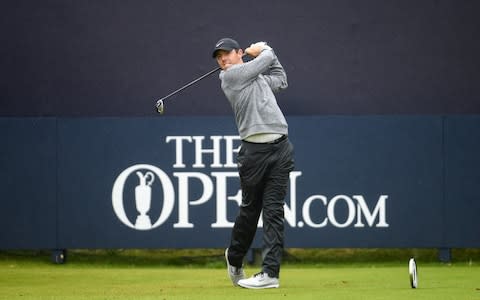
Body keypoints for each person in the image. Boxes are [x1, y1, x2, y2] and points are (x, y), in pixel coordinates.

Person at [212, 37, 295, 289]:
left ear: (239, 53)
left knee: (274, 212)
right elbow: (266, 59)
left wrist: (268, 53)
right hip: (253, 153)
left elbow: (281, 79)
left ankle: (270, 273)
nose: (222, 59)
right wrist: (265, 49)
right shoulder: (229, 78)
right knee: (250, 211)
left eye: (226, 53)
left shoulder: (256, 79)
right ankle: (234, 256)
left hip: (281, 148)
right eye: (218, 57)